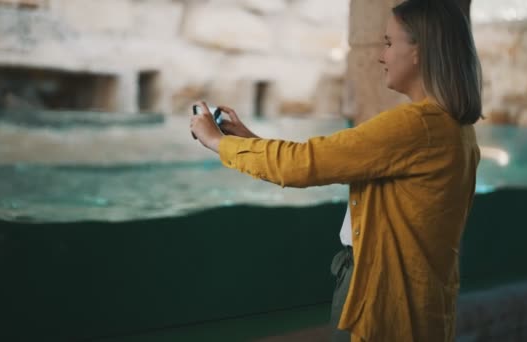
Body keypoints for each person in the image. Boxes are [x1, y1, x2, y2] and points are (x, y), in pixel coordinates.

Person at [189, 0, 482, 340]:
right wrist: (250, 139)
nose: (380, 55)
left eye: (389, 43)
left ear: (420, 51)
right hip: (422, 304)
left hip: (383, 303)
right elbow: (337, 163)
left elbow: (304, 165)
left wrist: (216, 141)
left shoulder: (416, 126)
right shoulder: (455, 128)